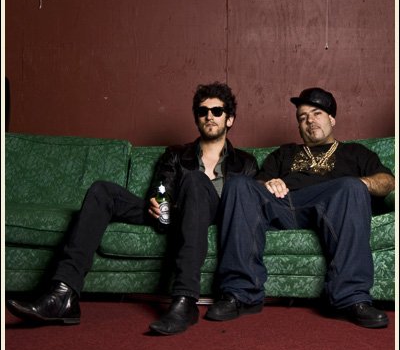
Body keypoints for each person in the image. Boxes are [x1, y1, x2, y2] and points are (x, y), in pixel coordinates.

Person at [6, 81, 258, 335]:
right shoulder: (176, 154)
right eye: (203, 111)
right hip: (173, 213)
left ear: (229, 119)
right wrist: (159, 200)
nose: (209, 116)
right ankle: (63, 294)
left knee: (195, 180)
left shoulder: (245, 163)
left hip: (210, 216)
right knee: (102, 190)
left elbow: (245, 207)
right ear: (197, 118)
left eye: (217, 111)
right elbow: (162, 185)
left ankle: (185, 301)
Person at [205, 87, 395, 329]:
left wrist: (362, 183)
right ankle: (238, 294)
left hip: (334, 204)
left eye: (317, 113)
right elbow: (257, 187)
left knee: (351, 186)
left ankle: (351, 298)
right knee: (239, 184)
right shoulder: (285, 153)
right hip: (284, 203)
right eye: (303, 117)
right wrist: (269, 183)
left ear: (332, 120)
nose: (309, 120)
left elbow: (388, 182)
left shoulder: (355, 152)